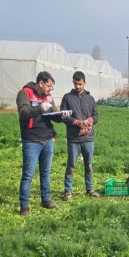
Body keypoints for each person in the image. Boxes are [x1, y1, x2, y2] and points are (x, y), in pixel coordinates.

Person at [16, 71, 71, 216]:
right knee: (28, 174)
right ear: (41, 83)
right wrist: (39, 108)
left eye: (51, 87)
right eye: (49, 86)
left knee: (46, 172)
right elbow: (23, 113)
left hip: (47, 139)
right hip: (32, 140)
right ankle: (24, 206)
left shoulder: (48, 97)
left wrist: (62, 116)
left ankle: (46, 199)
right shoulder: (25, 93)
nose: (50, 90)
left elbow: (53, 115)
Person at [60, 71, 100, 201]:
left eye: (80, 84)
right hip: (74, 138)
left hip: (88, 137)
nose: (77, 86)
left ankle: (89, 189)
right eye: (75, 84)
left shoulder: (90, 98)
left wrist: (91, 120)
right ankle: (68, 191)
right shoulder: (67, 98)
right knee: (71, 164)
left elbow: (96, 116)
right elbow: (63, 116)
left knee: (88, 164)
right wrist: (75, 122)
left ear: (84, 83)